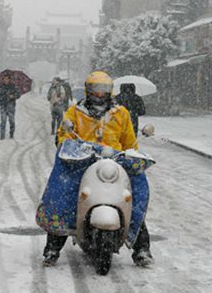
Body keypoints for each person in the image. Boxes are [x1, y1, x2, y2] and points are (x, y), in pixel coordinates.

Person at [37, 71, 153, 268]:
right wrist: (75, 147)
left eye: (104, 91)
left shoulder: (121, 113)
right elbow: (64, 137)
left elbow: (130, 143)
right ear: (88, 90)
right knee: (64, 193)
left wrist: (129, 153)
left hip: (114, 161)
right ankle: (52, 248)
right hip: (83, 160)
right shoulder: (75, 112)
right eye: (96, 90)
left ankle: (141, 247)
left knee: (135, 191)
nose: (99, 95)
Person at [0, 75, 20, 140]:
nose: (5, 80)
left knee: (11, 121)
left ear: (9, 79)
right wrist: (0, 102)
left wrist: (13, 96)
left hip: (11, 106)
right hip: (3, 106)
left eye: (7, 79)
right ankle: (2, 135)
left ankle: (11, 134)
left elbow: (18, 94)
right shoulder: (0, 87)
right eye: (4, 79)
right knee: (3, 121)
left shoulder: (13, 86)